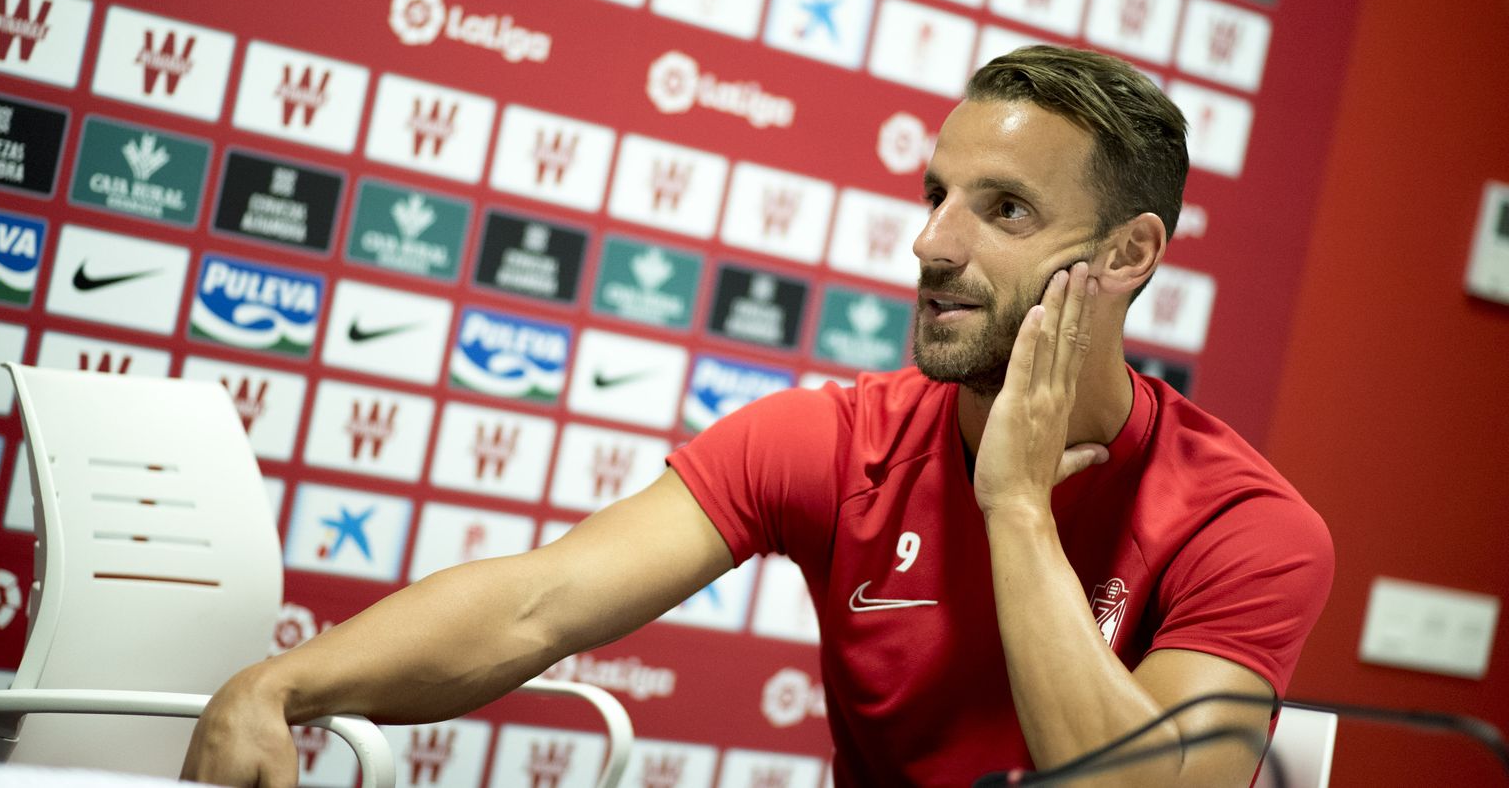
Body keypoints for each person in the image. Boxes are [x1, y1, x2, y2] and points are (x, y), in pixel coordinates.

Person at [182, 46, 1333, 787]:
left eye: (1005, 210)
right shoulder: (832, 440)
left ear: (1128, 254)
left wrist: (1016, 507)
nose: (931, 243)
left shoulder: (1243, 525)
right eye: (936, 195)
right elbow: (536, 607)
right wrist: (281, 686)